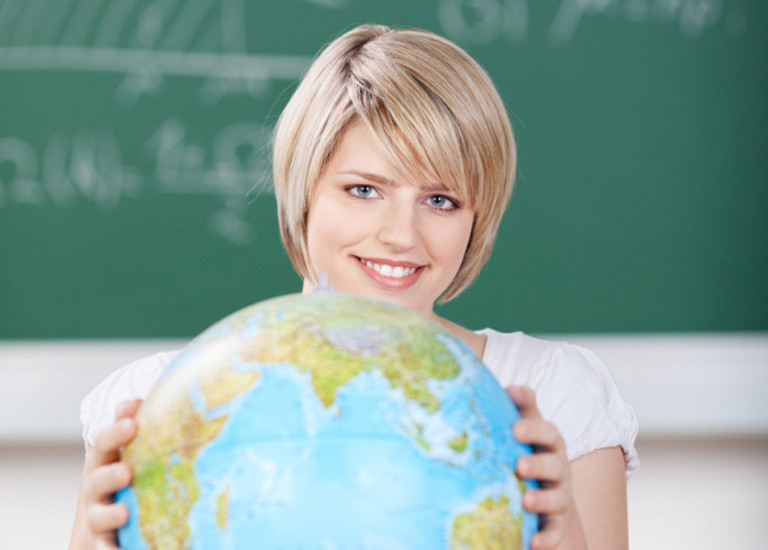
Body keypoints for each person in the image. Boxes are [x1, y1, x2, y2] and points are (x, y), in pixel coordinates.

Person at [69, 24, 638, 550]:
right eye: (364, 189)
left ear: (476, 219)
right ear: (305, 190)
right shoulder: (160, 401)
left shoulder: (553, 396)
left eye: (439, 200)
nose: (400, 234)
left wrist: (563, 535)